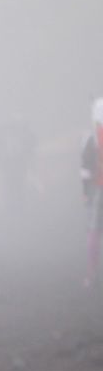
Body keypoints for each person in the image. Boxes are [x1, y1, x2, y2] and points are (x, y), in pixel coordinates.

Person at [0, 115, 38, 209]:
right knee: (10, 183)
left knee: (18, 183)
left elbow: (31, 145)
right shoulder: (6, 133)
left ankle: (18, 204)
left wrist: (28, 155)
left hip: (19, 162)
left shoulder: (25, 133)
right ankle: (12, 205)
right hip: (10, 162)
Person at [81, 99, 102, 288]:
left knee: (94, 232)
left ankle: (92, 274)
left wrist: (85, 191)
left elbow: (85, 168)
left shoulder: (90, 139)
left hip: (96, 190)